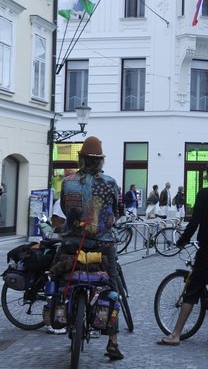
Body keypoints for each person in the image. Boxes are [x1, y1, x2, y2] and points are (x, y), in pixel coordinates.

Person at [159, 160, 208, 347]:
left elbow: (194, 223)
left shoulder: (204, 194)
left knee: (192, 290)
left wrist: (182, 241)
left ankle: (176, 333)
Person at [59, 136, 124, 361]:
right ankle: (113, 342)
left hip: (72, 243)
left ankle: (60, 311)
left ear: (81, 158)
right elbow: (119, 210)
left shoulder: (68, 181)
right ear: (100, 161)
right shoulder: (111, 183)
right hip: (102, 244)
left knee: (57, 274)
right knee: (112, 288)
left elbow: (64, 208)